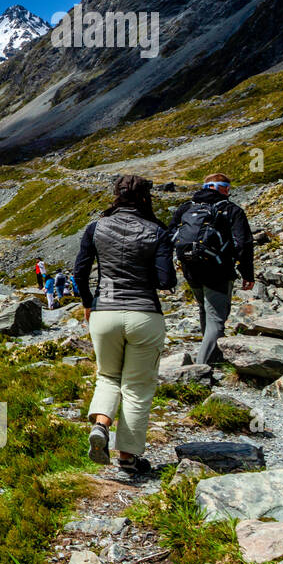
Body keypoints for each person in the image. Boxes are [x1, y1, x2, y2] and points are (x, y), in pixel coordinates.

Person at [73, 174, 176, 476]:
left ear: (115, 195)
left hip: (104, 313)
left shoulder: (96, 227)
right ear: (146, 197)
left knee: (107, 377)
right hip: (144, 314)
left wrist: (89, 303)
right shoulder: (158, 231)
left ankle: (101, 427)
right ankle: (128, 458)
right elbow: (166, 280)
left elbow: (80, 272)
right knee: (137, 388)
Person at [167, 173, 255, 367]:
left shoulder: (186, 207)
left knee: (204, 309)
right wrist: (247, 274)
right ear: (222, 188)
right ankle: (201, 367)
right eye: (228, 188)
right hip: (219, 271)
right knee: (216, 316)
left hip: (190, 269)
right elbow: (243, 244)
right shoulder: (231, 210)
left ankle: (213, 356)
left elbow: (170, 236)